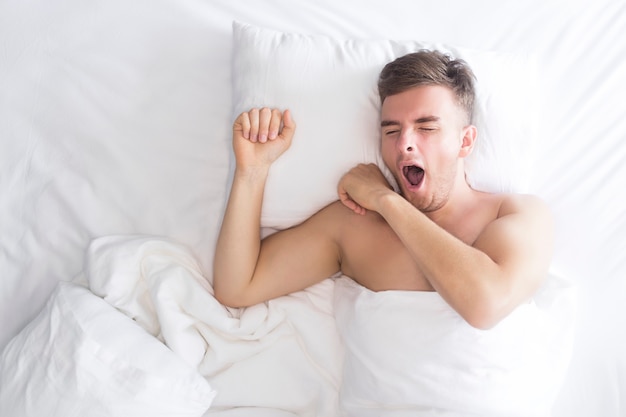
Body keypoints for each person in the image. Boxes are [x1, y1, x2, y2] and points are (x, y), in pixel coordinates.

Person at [213, 50, 553, 330]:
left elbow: (484, 305)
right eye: (392, 131)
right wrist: (252, 172)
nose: (404, 143)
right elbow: (236, 287)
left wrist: (386, 200)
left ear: (465, 141)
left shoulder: (518, 215)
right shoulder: (353, 225)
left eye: (426, 128)